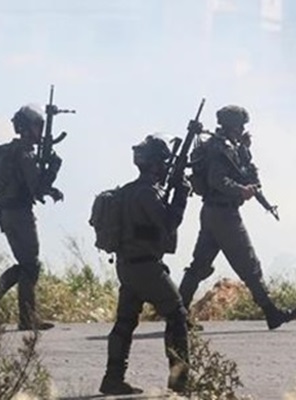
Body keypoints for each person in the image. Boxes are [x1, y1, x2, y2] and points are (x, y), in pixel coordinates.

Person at [179, 105, 296, 330]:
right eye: (241, 126)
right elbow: (217, 180)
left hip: (212, 212)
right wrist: (240, 190)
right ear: (232, 126)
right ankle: (271, 312)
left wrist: (245, 150)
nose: (243, 129)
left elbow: (246, 173)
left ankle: (177, 315)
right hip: (224, 214)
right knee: (249, 264)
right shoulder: (220, 148)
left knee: (199, 266)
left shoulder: (225, 146)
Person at [99, 135, 191, 395]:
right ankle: (180, 381)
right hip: (147, 268)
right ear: (155, 164)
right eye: (162, 163)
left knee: (125, 322)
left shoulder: (128, 191)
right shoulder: (147, 193)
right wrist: (181, 194)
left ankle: (112, 378)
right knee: (177, 314)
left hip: (127, 267)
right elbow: (169, 223)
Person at [0, 104, 63, 331]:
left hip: (7, 213)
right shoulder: (24, 154)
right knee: (31, 265)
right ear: (28, 128)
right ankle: (25, 317)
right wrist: (53, 168)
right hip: (20, 214)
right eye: (38, 126)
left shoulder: (12, 151)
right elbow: (36, 187)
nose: (40, 131)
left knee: (26, 264)